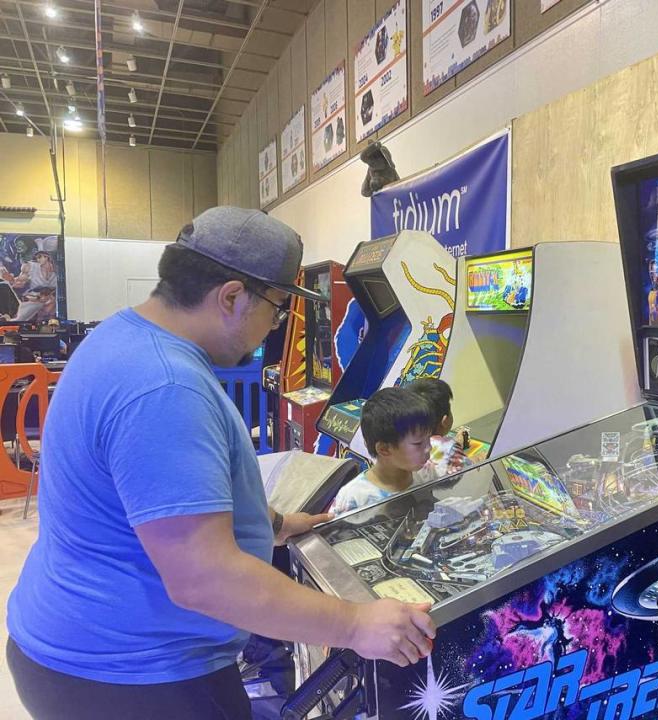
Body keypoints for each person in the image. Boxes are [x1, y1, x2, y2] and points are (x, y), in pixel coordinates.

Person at [6, 207, 435, 720]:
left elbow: (159, 498)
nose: (274, 328)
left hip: (83, 650)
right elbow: (203, 578)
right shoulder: (164, 386)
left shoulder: (123, 340)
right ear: (232, 296)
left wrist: (275, 525)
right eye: (276, 309)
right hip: (134, 677)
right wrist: (357, 625)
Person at [330, 386, 434, 516]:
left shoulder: (426, 472)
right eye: (418, 443)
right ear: (384, 449)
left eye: (428, 438)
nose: (429, 447)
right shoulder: (353, 497)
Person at [408, 377, 477, 482]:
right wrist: (479, 458)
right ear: (444, 420)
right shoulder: (448, 447)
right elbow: (472, 472)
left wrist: (457, 445)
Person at [3, 249, 58, 322]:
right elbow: (19, 282)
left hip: (49, 301)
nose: (38, 260)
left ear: (46, 257)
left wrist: (48, 297)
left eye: (39, 257)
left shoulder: (56, 273)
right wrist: (11, 279)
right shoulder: (32, 267)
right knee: (18, 320)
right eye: (37, 258)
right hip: (33, 300)